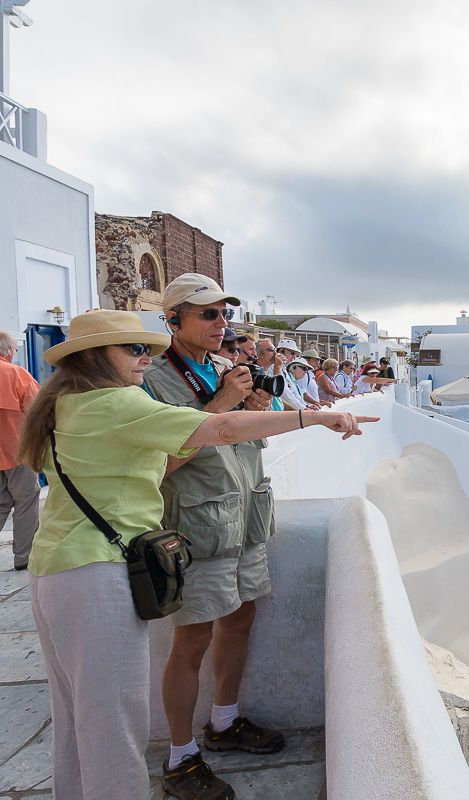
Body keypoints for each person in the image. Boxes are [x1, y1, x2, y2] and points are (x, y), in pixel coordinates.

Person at [17, 309, 375, 800]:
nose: (146, 358)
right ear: (96, 356)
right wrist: (313, 416)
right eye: (134, 349)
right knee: (114, 723)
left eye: (147, 350)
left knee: (76, 719)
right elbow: (220, 429)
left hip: (54, 570)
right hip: (94, 573)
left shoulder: (63, 403)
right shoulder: (115, 402)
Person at [138, 274, 312, 799]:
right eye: (208, 314)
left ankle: (224, 720)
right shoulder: (151, 382)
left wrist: (254, 410)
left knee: (241, 616)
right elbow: (158, 465)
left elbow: (243, 438)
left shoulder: (222, 369)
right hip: (197, 528)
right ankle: (179, 756)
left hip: (244, 520)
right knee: (192, 639)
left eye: (225, 313)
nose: (221, 323)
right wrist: (219, 407)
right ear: (173, 320)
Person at [0, 331, 40, 571]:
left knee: (1, 503)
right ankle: (24, 556)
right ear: (8, 351)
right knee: (26, 501)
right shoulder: (16, 374)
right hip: (17, 451)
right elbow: (37, 411)